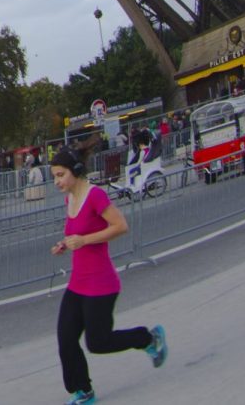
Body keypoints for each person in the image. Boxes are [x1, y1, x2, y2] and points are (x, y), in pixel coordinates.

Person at [48, 148, 165, 404]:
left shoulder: (95, 196)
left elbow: (120, 226)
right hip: (78, 283)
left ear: (76, 172)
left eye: (60, 175)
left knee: (98, 342)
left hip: (100, 283)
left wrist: (83, 240)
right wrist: (66, 244)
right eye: (54, 176)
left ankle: (148, 338)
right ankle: (83, 391)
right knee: (66, 338)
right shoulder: (70, 200)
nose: (56, 181)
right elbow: (80, 234)